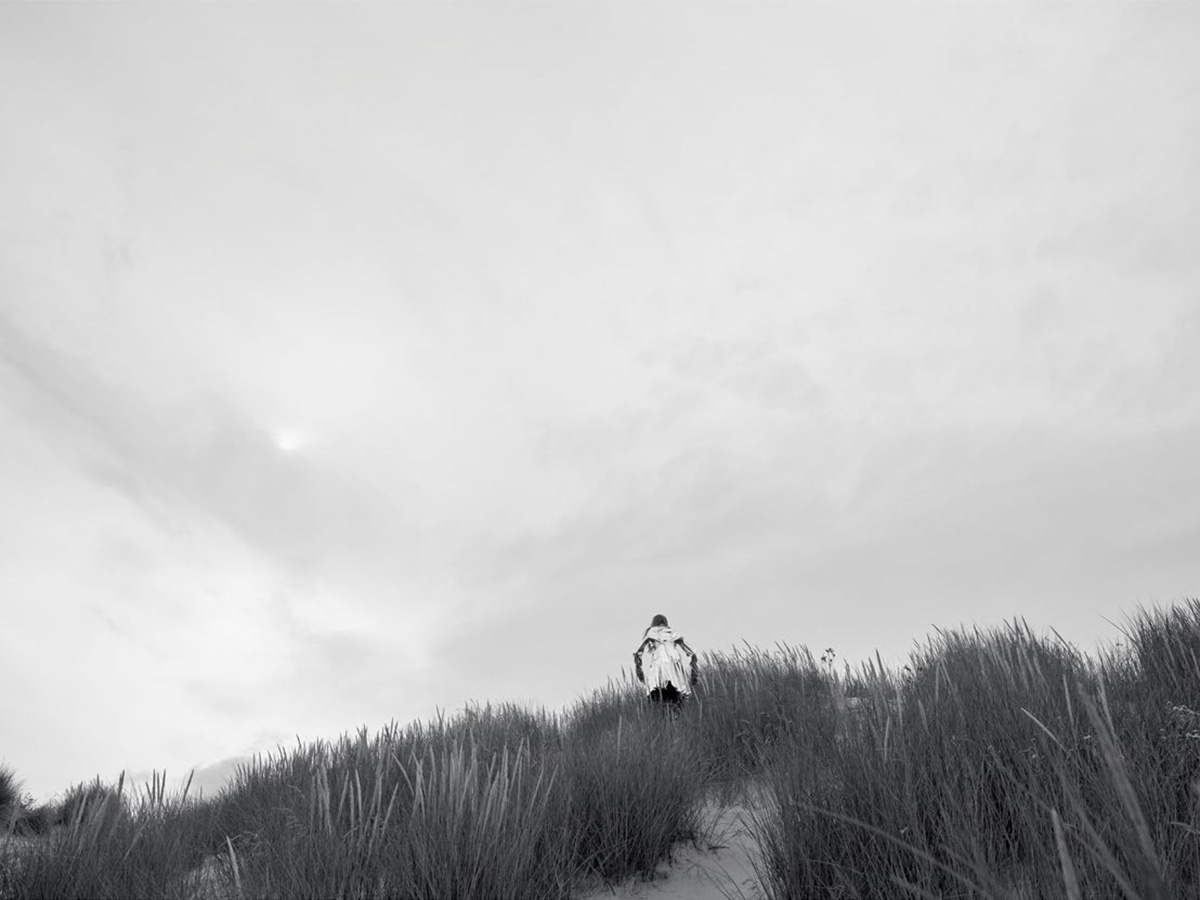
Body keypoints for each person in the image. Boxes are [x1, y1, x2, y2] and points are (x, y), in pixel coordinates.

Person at [633, 614, 698, 706]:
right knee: (678, 686)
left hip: (660, 659)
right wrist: (693, 662)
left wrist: (638, 664)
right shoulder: (672, 632)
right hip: (674, 660)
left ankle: (658, 701)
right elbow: (689, 649)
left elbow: (638, 650)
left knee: (655, 686)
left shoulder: (652, 631)